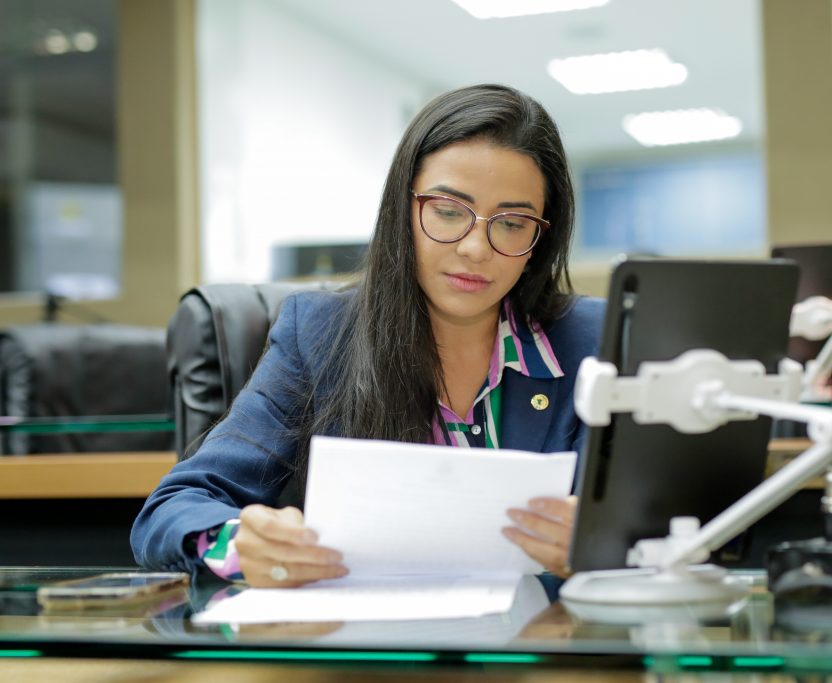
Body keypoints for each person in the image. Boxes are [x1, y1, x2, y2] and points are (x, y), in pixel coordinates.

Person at [131, 83, 605, 590]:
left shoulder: (590, 343)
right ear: (402, 210)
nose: (474, 247)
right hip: (368, 653)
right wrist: (236, 545)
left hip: (541, 652)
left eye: (512, 222)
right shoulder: (318, 335)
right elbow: (169, 511)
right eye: (447, 211)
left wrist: (605, 545)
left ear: (541, 240)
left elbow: (675, 524)